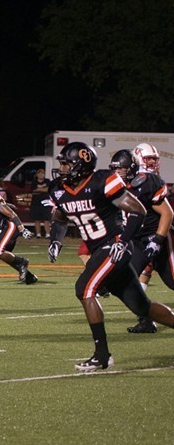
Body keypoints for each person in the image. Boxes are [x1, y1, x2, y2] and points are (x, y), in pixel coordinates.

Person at [45, 142, 174, 371]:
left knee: (84, 288)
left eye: (67, 164)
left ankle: (102, 355)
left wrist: (123, 241)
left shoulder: (101, 181)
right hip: (100, 250)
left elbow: (138, 210)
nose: (62, 168)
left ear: (81, 165)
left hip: (114, 245)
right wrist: (56, 239)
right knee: (141, 306)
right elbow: (60, 217)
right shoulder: (59, 189)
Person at [110, 145, 174, 334]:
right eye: (148, 159)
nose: (117, 173)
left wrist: (158, 240)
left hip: (156, 238)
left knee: (172, 281)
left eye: (120, 169)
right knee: (127, 282)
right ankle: (146, 319)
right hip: (136, 241)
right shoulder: (113, 185)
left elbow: (167, 213)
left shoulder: (147, 181)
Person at [28, 168, 51, 238]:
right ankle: (38, 234)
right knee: (37, 219)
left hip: (45, 202)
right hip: (36, 203)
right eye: (39, 173)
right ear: (37, 175)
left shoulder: (47, 181)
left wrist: (39, 189)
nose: (41, 175)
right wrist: (43, 189)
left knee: (46, 219)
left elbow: (48, 189)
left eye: (42, 173)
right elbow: (33, 191)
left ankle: (47, 234)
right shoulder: (34, 182)